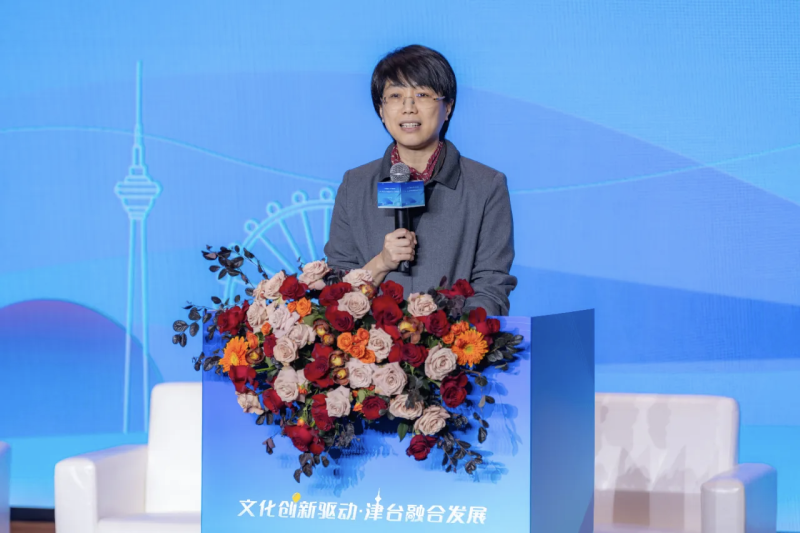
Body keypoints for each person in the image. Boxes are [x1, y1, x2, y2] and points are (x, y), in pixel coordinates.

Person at [323, 45, 517, 316]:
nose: (408, 108)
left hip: (454, 339)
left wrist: (447, 336)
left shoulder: (486, 185)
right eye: (395, 96)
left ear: (448, 107)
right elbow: (337, 285)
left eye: (422, 94)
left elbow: (491, 285)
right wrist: (382, 262)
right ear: (381, 110)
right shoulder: (354, 185)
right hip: (371, 341)